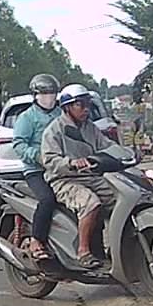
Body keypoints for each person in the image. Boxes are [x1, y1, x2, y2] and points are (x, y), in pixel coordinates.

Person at [41, 84, 117, 269]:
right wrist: (71, 163)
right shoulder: (55, 130)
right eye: (80, 105)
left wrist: (126, 152)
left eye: (87, 104)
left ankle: (118, 249)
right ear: (67, 107)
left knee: (121, 198)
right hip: (64, 180)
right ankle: (83, 252)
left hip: (91, 177)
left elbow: (107, 146)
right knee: (90, 203)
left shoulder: (90, 127)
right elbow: (49, 160)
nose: (86, 109)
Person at [9, 73, 62, 260]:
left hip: (61, 168)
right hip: (36, 171)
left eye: (52, 93)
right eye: (45, 93)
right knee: (47, 200)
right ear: (36, 95)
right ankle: (37, 240)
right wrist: (38, 157)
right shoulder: (27, 118)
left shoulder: (61, 115)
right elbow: (19, 145)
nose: (49, 97)